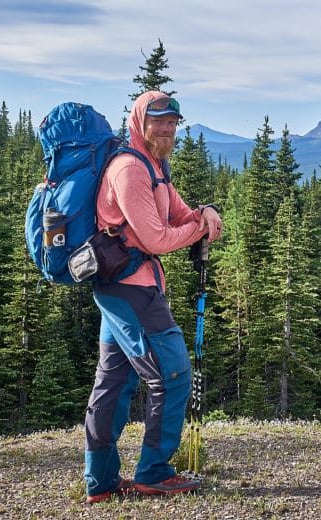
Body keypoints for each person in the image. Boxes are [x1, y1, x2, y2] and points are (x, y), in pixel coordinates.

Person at [83, 91, 223, 503]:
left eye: (173, 123)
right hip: (131, 289)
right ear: (139, 122)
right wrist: (199, 230)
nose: (167, 129)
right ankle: (154, 473)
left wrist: (205, 212)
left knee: (114, 382)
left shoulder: (155, 166)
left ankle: (102, 483)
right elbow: (157, 239)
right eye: (158, 121)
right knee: (174, 374)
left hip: (124, 288)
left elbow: (180, 214)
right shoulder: (129, 169)